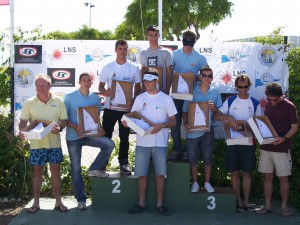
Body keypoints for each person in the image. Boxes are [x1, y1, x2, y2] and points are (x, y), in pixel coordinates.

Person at [124, 68, 177, 216]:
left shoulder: (166, 99)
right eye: (145, 81)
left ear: (156, 81)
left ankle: (159, 205)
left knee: (160, 175)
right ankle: (141, 204)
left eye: (150, 81)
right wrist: (127, 122)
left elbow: (173, 121)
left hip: (160, 143)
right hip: (142, 143)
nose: (147, 84)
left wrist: (163, 125)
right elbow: (133, 117)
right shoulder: (140, 99)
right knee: (141, 174)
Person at [18, 74, 68, 213]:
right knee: (37, 172)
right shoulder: (29, 102)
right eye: (38, 85)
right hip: (36, 145)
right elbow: (23, 121)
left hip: (54, 144)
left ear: (49, 86)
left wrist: (59, 127)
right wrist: (22, 131)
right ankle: (36, 203)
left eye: (43, 84)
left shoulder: (58, 101)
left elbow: (63, 120)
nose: (40, 87)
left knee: (56, 172)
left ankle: (58, 202)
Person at [64, 72, 115, 210]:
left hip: (89, 135)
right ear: (79, 81)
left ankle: (94, 169)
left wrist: (101, 130)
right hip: (74, 137)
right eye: (84, 80)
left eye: (89, 80)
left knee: (109, 144)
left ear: (91, 82)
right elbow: (63, 119)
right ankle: (81, 200)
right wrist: (76, 127)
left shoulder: (95, 98)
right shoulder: (69, 97)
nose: (86, 82)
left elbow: (95, 118)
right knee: (75, 169)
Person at [213, 74, 262, 212]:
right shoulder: (230, 101)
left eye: (245, 87)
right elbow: (216, 116)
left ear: (249, 87)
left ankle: (246, 202)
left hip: (249, 143)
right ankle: (238, 201)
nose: (243, 90)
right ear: (236, 87)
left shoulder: (255, 103)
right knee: (234, 172)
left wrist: (250, 125)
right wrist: (230, 118)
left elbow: (260, 124)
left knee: (247, 173)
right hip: (232, 143)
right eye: (240, 87)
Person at [99, 39, 141, 175]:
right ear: (116, 50)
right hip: (110, 108)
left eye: (125, 49)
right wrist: (105, 92)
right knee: (107, 136)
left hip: (125, 109)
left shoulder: (134, 67)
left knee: (125, 137)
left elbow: (138, 87)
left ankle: (123, 163)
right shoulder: (108, 67)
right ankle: (102, 164)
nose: (123, 51)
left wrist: (133, 101)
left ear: (127, 50)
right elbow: (101, 86)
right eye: (120, 49)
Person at [256, 82, 298, 216]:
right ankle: (267, 206)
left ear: (281, 96)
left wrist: (284, 138)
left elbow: (294, 127)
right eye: (269, 99)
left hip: (282, 149)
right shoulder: (267, 104)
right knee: (267, 177)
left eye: (275, 99)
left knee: (283, 178)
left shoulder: (290, 106)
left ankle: (284, 207)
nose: (272, 102)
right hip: (266, 147)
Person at [170, 29, 208, 161]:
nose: (187, 47)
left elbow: (206, 75)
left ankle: (186, 149)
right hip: (176, 95)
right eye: (185, 44)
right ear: (182, 41)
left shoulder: (200, 58)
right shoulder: (174, 54)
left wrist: (196, 77)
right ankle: (176, 148)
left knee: (190, 122)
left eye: (190, 45)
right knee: (175, 122)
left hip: (191, 95)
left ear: (194, 43)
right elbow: (169, 72)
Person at [182, 66, 221, 193]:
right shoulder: (191, 90)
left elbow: (218, 112)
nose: (207, 78)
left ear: (212, 78)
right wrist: (185, 124)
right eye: (204, 75)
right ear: (200, 76)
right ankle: (195, 183)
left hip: (208, 130)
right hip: (192, 132)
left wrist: (213, 108)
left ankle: (207, 183)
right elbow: (185, 110)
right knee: (193, 158)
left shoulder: (216, 92)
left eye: (209, 76)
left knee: (208, 157)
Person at [139, 25, 173, 94]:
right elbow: (142, 73)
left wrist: (167, 91)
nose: (153, 37)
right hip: (147, 92)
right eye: (151, 35)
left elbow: (169, 74)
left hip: (162, 91)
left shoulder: (166, 53)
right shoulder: (143, 53)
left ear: (159, 36)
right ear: (147, 36)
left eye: (155, 35)